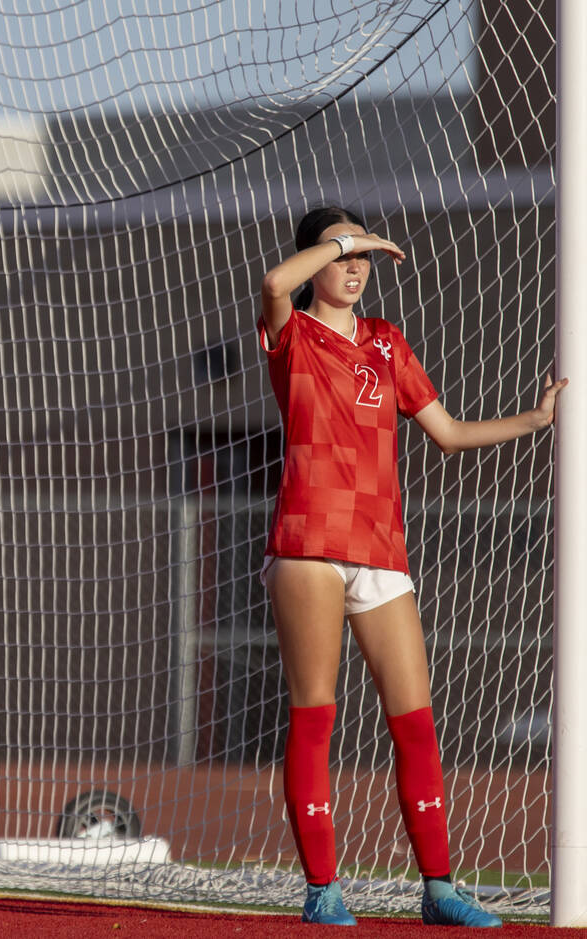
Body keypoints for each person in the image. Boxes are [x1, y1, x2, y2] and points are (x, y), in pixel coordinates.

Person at [258, 205, 565, 927]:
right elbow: (275, 281)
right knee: (315, 718)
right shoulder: (291, 335)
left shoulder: (386, 343)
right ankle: (322, 888)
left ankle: (439, 888)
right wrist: (346, 237)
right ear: (317, 262)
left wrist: (535, 420)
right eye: (342, 255)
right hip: (307, 547)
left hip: (381, 552)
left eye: (363, 254)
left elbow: (450, 434)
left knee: (415, 722)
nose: (357, 266)